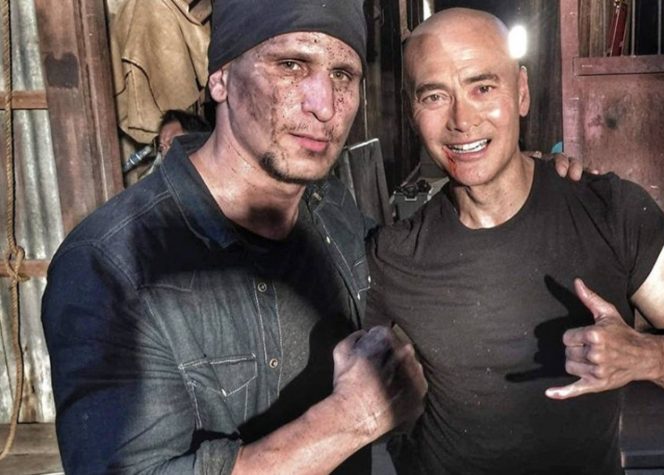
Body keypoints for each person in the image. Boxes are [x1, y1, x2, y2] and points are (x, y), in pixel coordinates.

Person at [42, 1, 428, 473]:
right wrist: (351, 418)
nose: (325, 105)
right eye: (291, 65)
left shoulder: (332, 208)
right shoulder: (112, 265)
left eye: (343, 75)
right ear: (220, 78)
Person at [365, 8, 664, 475]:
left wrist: (643, 355)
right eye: (435, 96)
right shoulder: (392, 256)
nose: (462, 119)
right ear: (412, 111)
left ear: (521, 91)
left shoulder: (611, 211)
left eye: (483, 87)